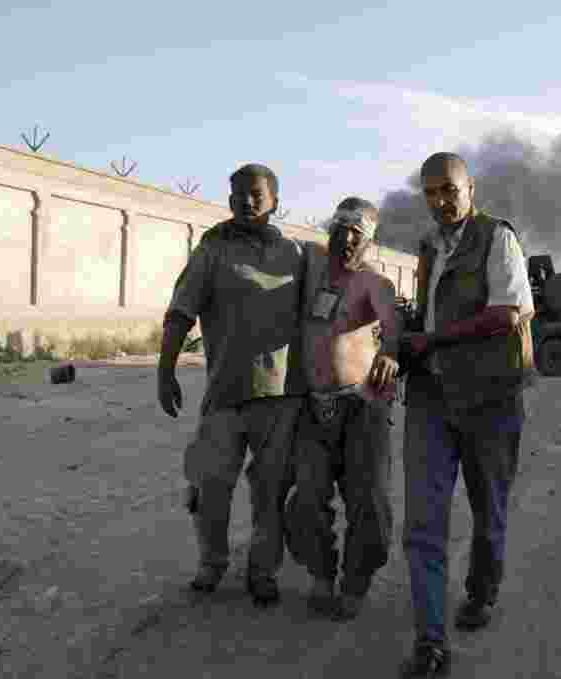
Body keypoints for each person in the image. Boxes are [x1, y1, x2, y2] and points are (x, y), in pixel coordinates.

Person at [398, 152, 536, 677]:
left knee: (488, 512)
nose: (440, 201)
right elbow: (423, 317)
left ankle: (481, 592)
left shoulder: (497, 238)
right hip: (430, 397)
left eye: (449, 190)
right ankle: (431, 641)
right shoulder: (428, 246)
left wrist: (434, 338)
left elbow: (508, 312)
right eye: (431, 192)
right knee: (423, 522)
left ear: (470, 188)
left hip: (489, 399)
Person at [157, 163, 307, 605]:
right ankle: (212, 561)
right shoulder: (213, 250)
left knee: (269, 492)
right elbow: (180, 312)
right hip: (225, 393)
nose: (247, 201)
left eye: (257, 194)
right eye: (238, 194)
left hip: (280, 397)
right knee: (209, 484)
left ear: (275, 201)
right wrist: (165, 370)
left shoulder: (296, 255)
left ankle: (263, 570)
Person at [285, 197, 401, 621]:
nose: (348, 239)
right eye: (342, 229)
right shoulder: (309, 273)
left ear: (369, 241)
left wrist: (389, 354)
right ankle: (320, 574)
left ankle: (354, 582)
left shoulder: (375, 283)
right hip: (314, 407)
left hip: (362, 407)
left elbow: (392, 327)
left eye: (358, 232)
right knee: (307, 498)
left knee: (368, 500)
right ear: (330, 230)